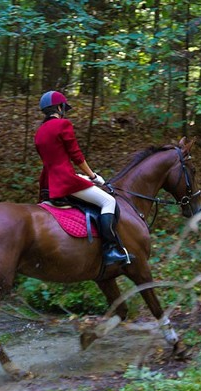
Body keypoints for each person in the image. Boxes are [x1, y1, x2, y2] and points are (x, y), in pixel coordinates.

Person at [34, 90, 129, 266]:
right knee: (109, 202)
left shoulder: (39, 132)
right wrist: (93, 176)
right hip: (65, 181)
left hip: (48, 182)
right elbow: (76, 156)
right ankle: (109, 250)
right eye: (64, 108)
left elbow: (54, 161)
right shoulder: (63, 125)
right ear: (60, 107)